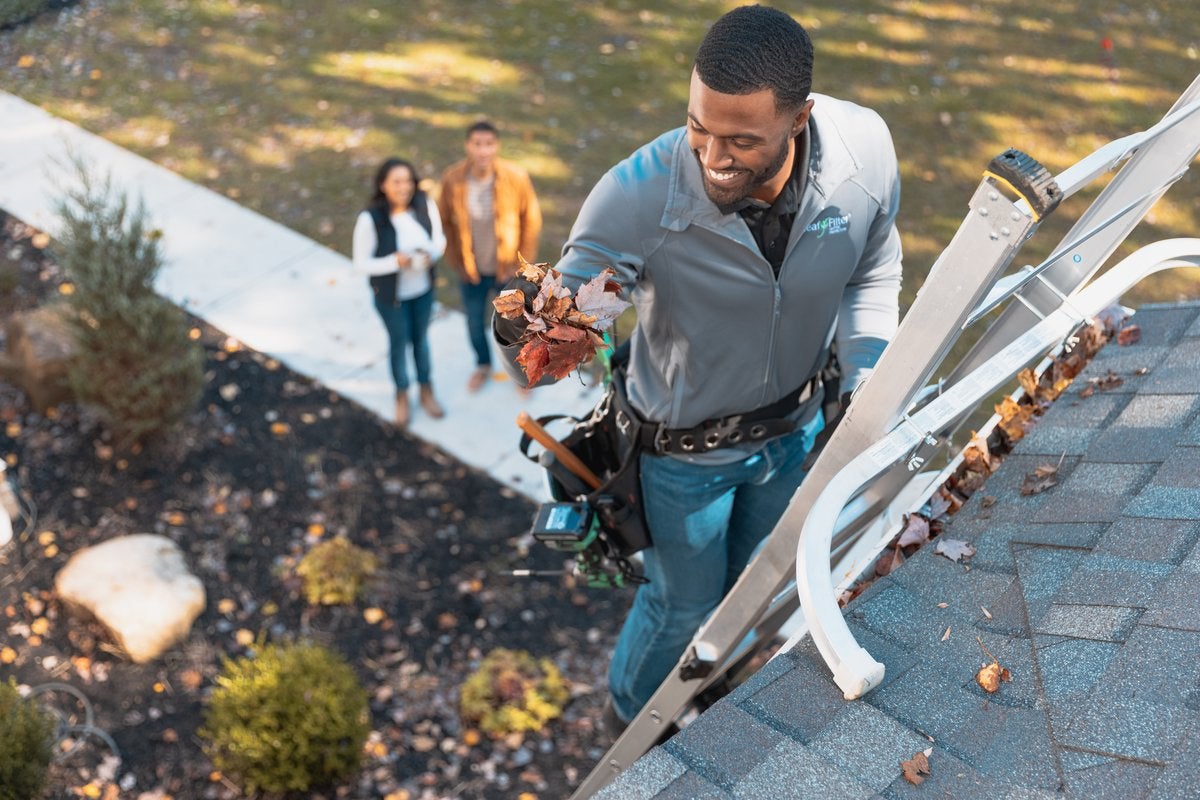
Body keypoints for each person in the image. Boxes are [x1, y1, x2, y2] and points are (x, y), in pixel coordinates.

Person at [493, 5, 904, 727]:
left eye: (742, 140)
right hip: (684, 464)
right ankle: (631, 721)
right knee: (682, 601)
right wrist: (529, 331)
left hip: (799, 435)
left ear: (800, 118)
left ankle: (708, 689)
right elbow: (572, 313)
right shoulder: (639, 195)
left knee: (753, 584)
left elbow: (873, 269)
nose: (712, 158)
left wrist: (864, 373)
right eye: (698, 128)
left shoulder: (864, 155)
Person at [437, 120, 543, 393]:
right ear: (467, 145)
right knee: (474, 322)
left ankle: (521, 372)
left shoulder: (515, 177)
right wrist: (456, 261)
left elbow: (531, 221)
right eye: (477, 144)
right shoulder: (452, 179)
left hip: (506, 270)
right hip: (471, 272)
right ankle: (483, 365)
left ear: (496, 146)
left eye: (488, 144)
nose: (483, 151)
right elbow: (443, 222)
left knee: (515, 324)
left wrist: (521, 265)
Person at [353, 157, 446, 427]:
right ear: (383, 185)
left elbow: (439, 239)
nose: (404, 187)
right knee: (399, 342)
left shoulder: (424, 204)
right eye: (396, 182)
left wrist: (432, 255)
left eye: (408, 181)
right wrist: (395, 261)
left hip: (423, 291)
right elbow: (361, 264)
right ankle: (402, 394)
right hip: (391, 298)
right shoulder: (371, 220)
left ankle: (426, 389)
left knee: (421, 341)